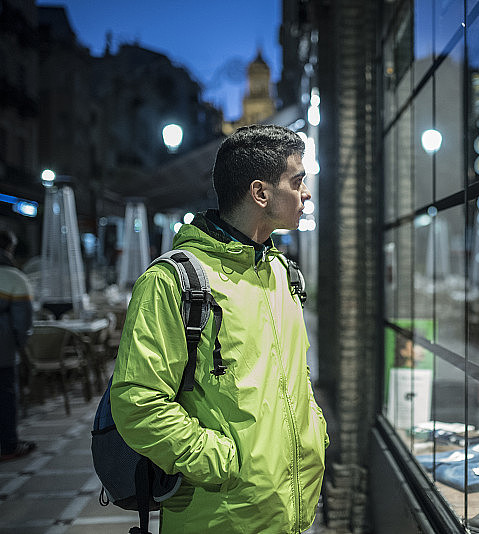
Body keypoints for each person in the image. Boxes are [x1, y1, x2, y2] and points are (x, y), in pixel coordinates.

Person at [110, 124, 328, 533]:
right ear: (260, 193)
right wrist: (221, 462)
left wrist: (313, 432)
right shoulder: (173, 281)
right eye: (297, 181)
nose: (306, 193)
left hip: (291, 511)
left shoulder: (283, 274)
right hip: (220, 515)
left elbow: (294, 377)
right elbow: (137, 402)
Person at [0, 229, 35, 461]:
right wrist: (21, 347)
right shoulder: (14, 278)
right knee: (6, 397)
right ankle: (9, 446)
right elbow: (22, 323)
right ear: (10, 248)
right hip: (3, 351)